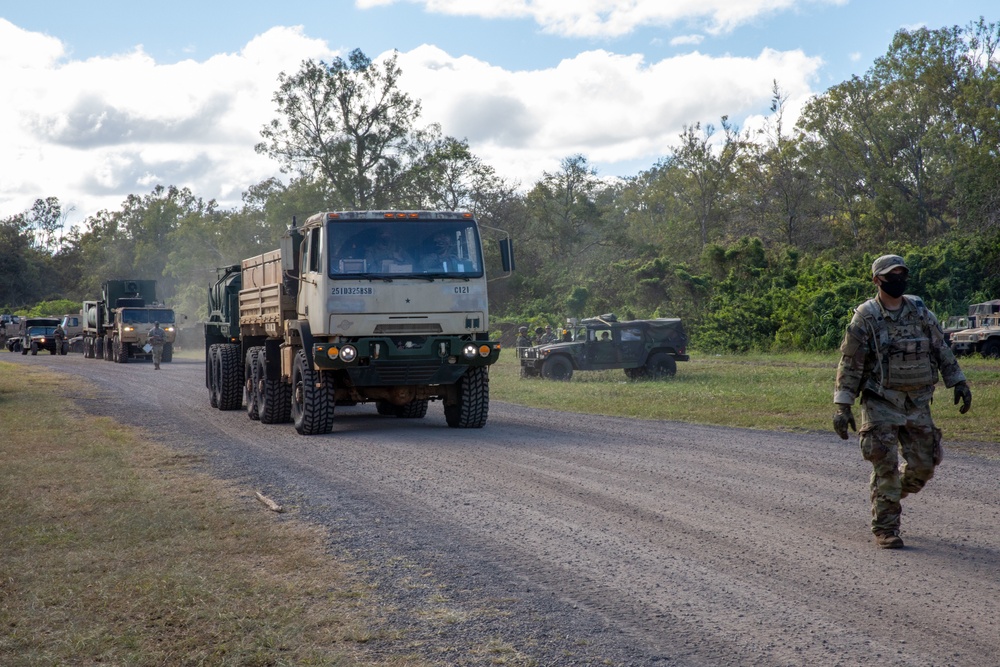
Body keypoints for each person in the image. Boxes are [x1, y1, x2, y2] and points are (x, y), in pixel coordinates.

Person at [833, 254, 972, 549]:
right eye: (890, 275)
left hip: (917, 401)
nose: (897, 280)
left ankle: (889, 491)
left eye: (901, 274)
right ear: (876, 280)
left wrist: (958, 381)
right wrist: (842, 405)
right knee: (885, 466)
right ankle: (886, 528)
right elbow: (850, 362)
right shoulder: (866, 317)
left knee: (924, 466)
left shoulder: (920, 311)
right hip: (881, 400)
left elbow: (940, 348)